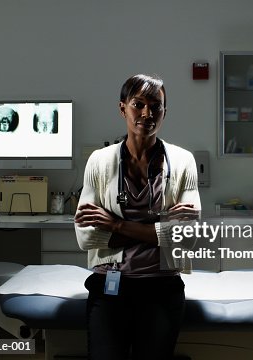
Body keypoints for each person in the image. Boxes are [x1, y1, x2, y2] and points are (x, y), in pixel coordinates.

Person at [74, 74, 201, 360]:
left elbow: (187, 239)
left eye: (156, 105)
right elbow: (86, 237)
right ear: (123, 108)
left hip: (162, 287)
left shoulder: (183, 162)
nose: (147, 113)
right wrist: (159, 233)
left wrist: (116, 225)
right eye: (138, 104)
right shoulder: (100, 161)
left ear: (165, 111)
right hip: (110, 287)